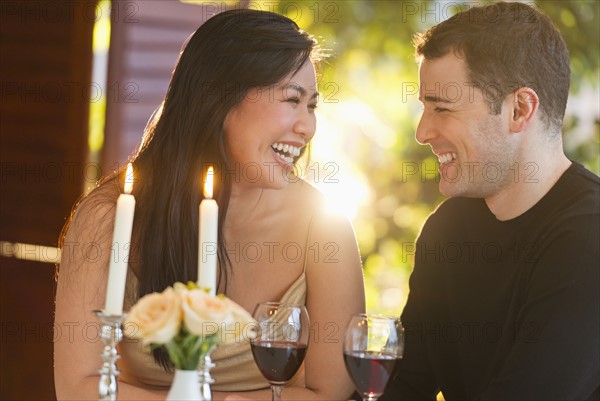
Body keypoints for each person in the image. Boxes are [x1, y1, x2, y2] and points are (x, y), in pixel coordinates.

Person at [54, 9, 365, 400]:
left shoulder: (324, 227)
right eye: (292, 100)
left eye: (312, 106)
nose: (307, 126)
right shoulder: (110, 216)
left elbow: (328, 394)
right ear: (220, 98)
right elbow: (77, 387)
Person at [382, 2, 599, 400]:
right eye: (423, 107)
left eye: (442, 108)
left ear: (519, 109)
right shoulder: (447, 229)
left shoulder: (588, 236)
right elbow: (406, 385)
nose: (422, 131)